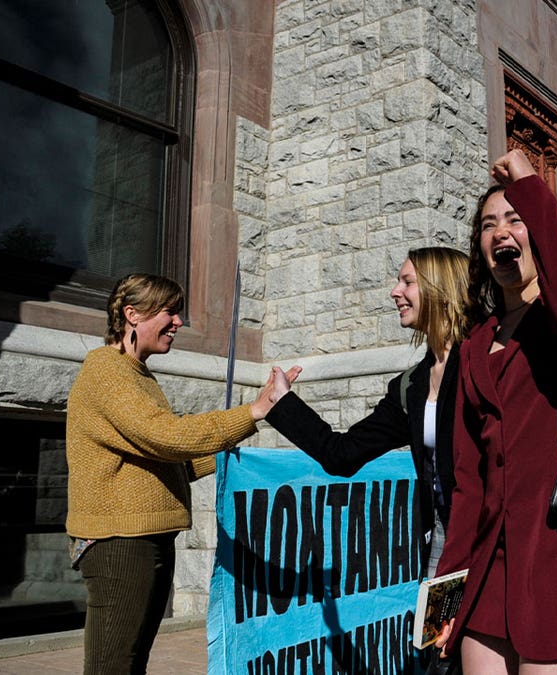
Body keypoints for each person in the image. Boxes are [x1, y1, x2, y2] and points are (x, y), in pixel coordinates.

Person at [434, 149, 557, 674]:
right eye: (488, 225)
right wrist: (446, 597)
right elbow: (467, 483)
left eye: (516, 219)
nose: (501, 231)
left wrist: (531, 186)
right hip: (489, 574)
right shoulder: (474, 345)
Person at [65, 273, 288, 674]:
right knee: (112, 666)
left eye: (180, 313)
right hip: (120, 542)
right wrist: (252, 412)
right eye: (169, 312)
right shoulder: (106, 371)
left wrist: (226, 453)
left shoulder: (137, 374)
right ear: (132, 315)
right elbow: (165, 437)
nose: (179, 322)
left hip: (143, 538)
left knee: (130, 662)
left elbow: (164, 459)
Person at [265, 247, 470, 578]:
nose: (395, 292)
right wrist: (284, 400)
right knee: (434, 632)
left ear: (439, 288)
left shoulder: (486, 361)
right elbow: (342, 455)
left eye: (407, 282)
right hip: (442, 544)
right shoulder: (411, 386)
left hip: (496, 542)